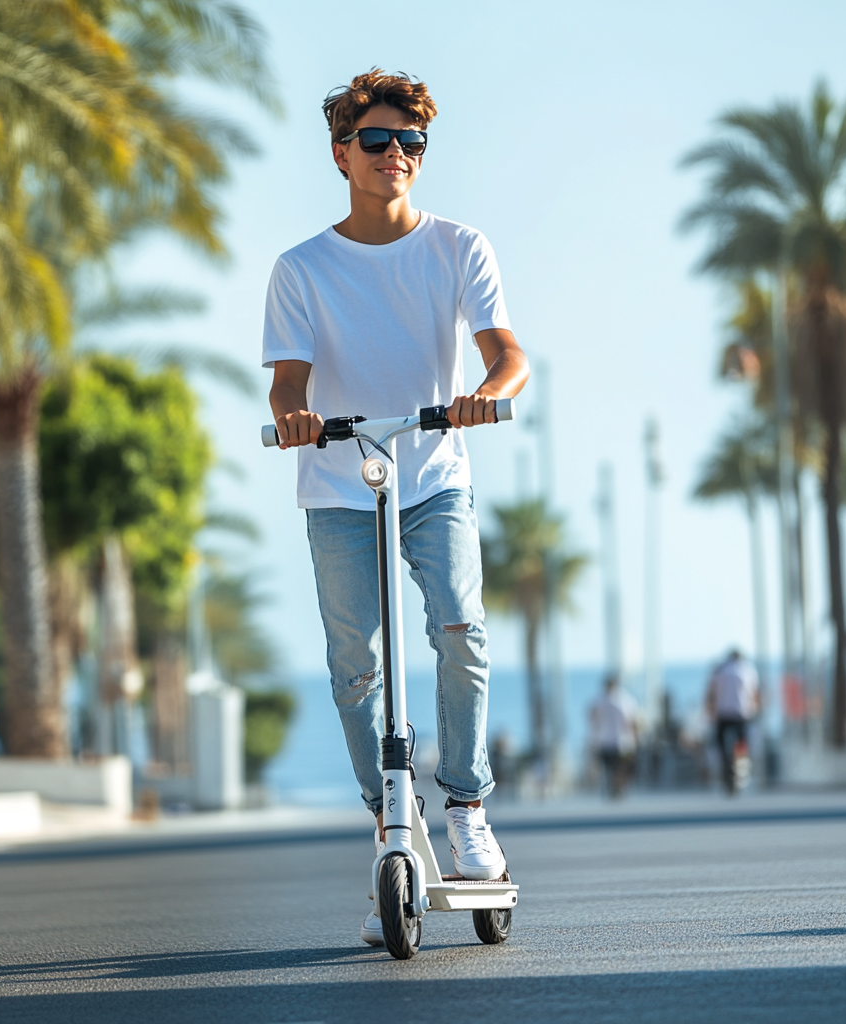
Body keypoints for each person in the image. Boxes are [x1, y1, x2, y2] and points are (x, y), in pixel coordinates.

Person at [262, 69, 529, 947]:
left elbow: (507, 355)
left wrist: (486, 393)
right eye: (377, 142)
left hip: (435, 475)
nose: (396, 157)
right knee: (355, 669)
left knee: (461, 628)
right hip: (342, 484)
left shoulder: (459, 248)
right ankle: (390, 821)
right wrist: (295, 421)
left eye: (411, 143)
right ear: (342, 153)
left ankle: (465, 805)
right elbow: (288, 385)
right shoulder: (301, 269)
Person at [706, 648, 760, 795]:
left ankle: (726, 771)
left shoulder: (720, 670)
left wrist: (710, 712)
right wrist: (756, 709)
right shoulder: (748, 670)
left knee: (722, 746)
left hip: (723, 714)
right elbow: (755, 693)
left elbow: (711, 693)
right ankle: (740, 777)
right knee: (742, 746)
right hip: (742, 714)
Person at [589, 675, 639, 798]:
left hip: (604, 740)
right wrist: (635, 738)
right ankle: (617, 787)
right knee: (620, 767)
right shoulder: (625, 700)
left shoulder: (599, 700)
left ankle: (614, 787)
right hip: (621, 740)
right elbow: (632, 721)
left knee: (610, 768)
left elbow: (592, 717)